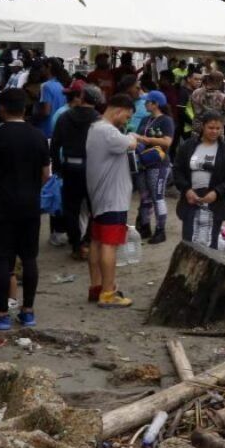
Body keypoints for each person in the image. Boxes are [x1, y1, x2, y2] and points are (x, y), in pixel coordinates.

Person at [0, 89, 50, 330]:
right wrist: (30, 190)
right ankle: (27, 311)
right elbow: (46, 174)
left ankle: (1, 313)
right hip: (30, 204)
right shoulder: (38, 136)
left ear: (2, 108)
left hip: (2, 204)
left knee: (1, 259)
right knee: (29, 258)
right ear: (25, 109)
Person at [85, 94, 138, 308]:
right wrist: (133, 135)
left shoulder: (94, 128)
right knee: (110, 244)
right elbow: (131, 143)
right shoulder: (108, 132)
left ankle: (96, 287)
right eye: (126, 116)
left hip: (99, 196)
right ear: (117, 110)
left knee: (97, 241)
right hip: (113, 198)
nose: (126, 121)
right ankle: (108, 292)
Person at [173, 110, 225, 249]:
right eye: (210, 127)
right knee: (189, 242)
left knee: (211, 244)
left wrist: (217, 192)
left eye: (218, 128)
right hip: (191, 201)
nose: (214, 131)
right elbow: (177, 170)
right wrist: (186, 190)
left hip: (215, 203)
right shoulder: (187, 147)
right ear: (202, 127)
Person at [51, 82, 102, 260]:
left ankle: (75, 243)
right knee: (95, 207)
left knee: (70, 208)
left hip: (70, 166)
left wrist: (57, 168)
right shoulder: (99, 119)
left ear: (81, 97)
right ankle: (88, 241)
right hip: (93, 168)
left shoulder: (64, 117)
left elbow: (55, 144)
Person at [133, 91, 174, 245]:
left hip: (158, 164)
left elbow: (167, 142)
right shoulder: (145, 119)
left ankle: (160, 229)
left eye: (147, 101)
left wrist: (145, 139)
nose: (145, 104)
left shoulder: (166, 121)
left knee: (158, 197)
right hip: (143, 163)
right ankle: (144, 226)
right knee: (144, 197)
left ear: (155, 103)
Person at [36, 60, 69, 139]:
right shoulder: (60, 85)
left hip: (46, 129)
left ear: (49, 68)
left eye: (43, 67)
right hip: (57, 127)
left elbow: (46, 112)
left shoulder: (45, 86)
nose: (41, 69)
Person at [177, 69, 203, 140]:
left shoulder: (195, 92)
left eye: (200, 80)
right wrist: (193, 124)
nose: (199, 81)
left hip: (196, 127)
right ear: (188, 79)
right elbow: (181, 112)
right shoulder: (184, 92)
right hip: (188, 129)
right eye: (196, 79)